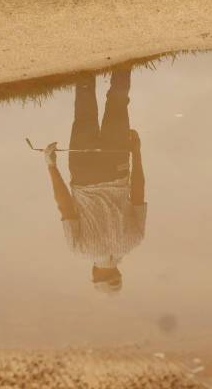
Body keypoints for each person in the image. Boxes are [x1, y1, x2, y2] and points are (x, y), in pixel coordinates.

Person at [43, 67, 147, 293]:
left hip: (117, 164)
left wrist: (136, 152)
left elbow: (138, 191)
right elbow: (65, 206)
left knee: (118, 102)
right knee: (85, 115)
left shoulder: (134, 240)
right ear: (97, 275)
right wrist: (51, 166)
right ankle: (84, 67)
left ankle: (124, 60)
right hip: (84, 172)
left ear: (117, 272)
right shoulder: (80, 250)